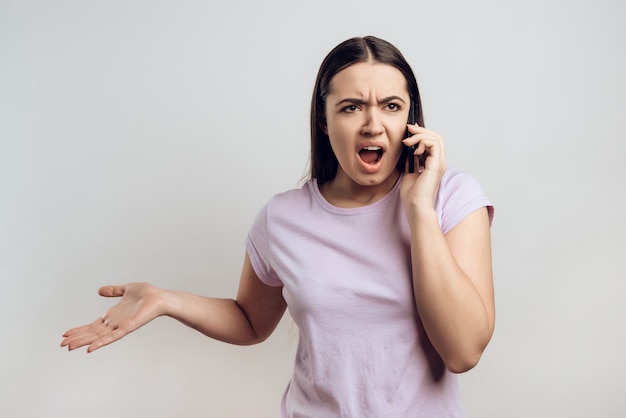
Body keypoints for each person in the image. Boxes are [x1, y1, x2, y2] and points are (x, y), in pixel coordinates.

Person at [61, 35, 495, 417]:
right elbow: (251, 320)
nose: (372, 123)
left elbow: (462, 351)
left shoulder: (451, 197)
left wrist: (419, 209)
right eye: (351, 107)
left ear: (410, 120)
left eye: (391, 106)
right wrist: (164, 300)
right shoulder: (282, 218)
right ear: (325, 122)